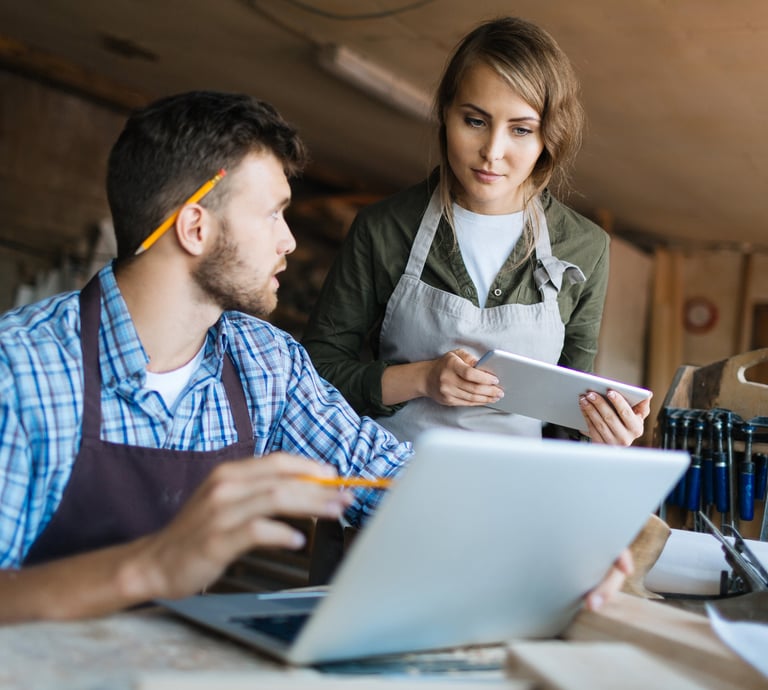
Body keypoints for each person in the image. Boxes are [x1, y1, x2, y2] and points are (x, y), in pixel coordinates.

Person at [0, 90, 629, 624]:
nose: (289, 240)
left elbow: (385, 475)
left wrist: (556, 536)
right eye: (273, 213)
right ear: (196, 228)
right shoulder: (21, 371)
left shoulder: (262, 363)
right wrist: (149, 566)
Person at [302, 17, 650, 445]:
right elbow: (317, 373)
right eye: (475, 121)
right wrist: (422, 379)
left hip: (514, 494)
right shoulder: (384, 228)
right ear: (446, 113)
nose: (492, 152)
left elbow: (566, 413)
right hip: (390, 482)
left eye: (521, 130)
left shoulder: (585, 246)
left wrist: (603, 430)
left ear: (549, 137)